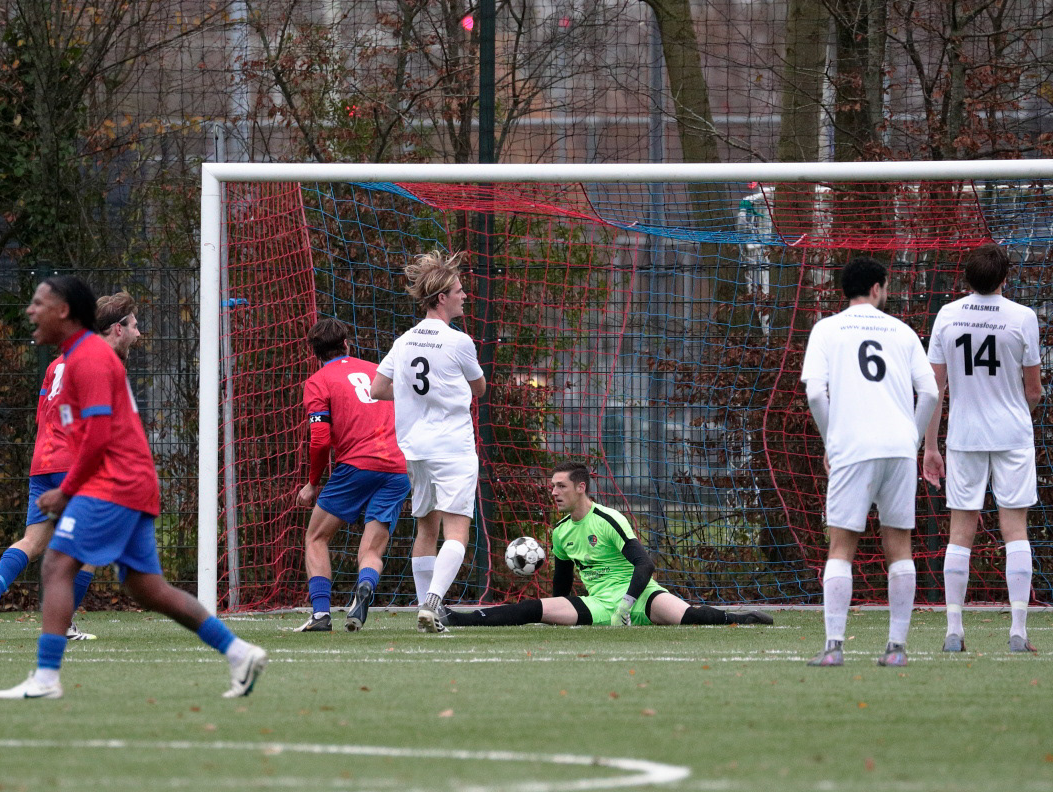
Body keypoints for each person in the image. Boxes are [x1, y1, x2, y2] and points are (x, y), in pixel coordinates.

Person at [0, 276, 266, 699]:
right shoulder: (77, 358)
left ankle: (45, 678)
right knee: (148, 589)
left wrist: (66, 490)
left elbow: (99, 437)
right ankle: (238, 652)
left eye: (38, 303)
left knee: (56, 565)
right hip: (129, 481)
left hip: (115, 482)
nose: (30, 310)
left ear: (63, 311)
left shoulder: (89, 358)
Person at [0, 291, 143, 642]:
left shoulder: (57, 363)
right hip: (75, 463)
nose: (139, 334)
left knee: (33, 540)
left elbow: (44, 415)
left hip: (43, 460)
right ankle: (63, 624)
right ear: (117, 329)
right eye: (134, 326)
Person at [801, 257, 939, 667]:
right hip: (898, 448)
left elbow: (815, 393)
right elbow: (930, 393)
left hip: (853, 448)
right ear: (877, 288)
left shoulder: (827, 329)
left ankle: (834, 648)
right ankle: (896, 649)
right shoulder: (902, 331)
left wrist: (832, 441)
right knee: (900, 546)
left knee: (841, 546)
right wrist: (912, 439)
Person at [445, 462, 774, 629]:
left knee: (690, 618)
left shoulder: (608, 519)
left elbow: (645, 565)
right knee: (534, 609)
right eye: (552, 487)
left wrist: (626, 606)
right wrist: (557, 611)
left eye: (561, 486)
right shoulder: (561, 532)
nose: (554, 492)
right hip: (600, 604)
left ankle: (742, 617)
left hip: (640, 596)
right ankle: (458, 619)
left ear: (580, 488)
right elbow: (562, 585)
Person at [922, 244, 1042, 653]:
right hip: (1012, 436)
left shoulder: (947, 315)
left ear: (967, 278)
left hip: (965, 436)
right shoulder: (1023, 317)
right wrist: (1015, 411)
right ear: (1005, 278)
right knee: (1015, 530)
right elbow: (1033, 391)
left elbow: (934, 389)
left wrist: (930, 445)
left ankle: (954, 631)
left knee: (960, 532)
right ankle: (1018, 632)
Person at [370, 251, 486, 633]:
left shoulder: (404, 341)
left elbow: (377, 388)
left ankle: (425, 611)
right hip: (452, 448)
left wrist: (410, 395)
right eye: (458, 290)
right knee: (457, 532)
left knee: (426, 529)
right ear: (441, 298)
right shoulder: (459, 341)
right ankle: (434, 603)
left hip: (415, 450)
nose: (464, 295)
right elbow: (480, 388)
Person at [292, 318, 410, 633]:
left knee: (316, 537)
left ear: (315, 353)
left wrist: (312, 483)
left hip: (356, 467)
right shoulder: (377, 370)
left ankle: (321, 614)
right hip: (398, 467)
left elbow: (319, 440)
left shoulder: (318, 381)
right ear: (347, 344)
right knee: (371, 550)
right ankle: (366, 584)